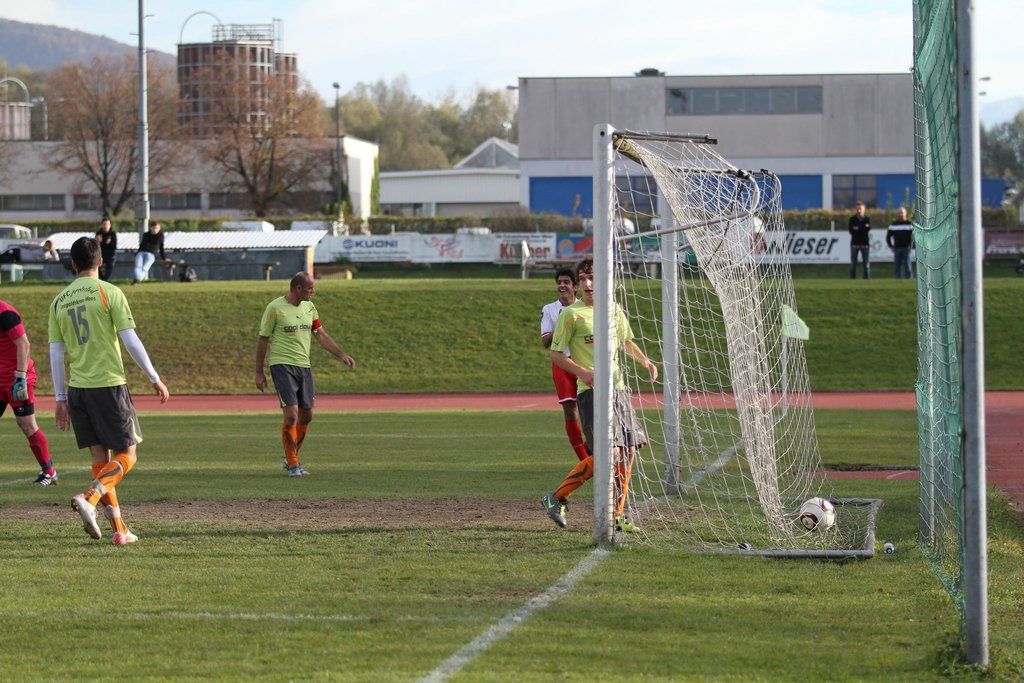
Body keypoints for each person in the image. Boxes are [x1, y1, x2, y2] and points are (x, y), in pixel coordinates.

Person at [50, 237, 170, 545]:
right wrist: (154, 376)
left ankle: (119, 529)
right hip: (108, 385)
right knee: (128, 455)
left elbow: (55, 353)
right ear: (100, 262)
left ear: (73, 265)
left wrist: (60, 399)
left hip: (77, 390)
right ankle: (89, 497)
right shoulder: (109, 292)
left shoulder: (59, 301)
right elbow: (130, 340)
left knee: (100, 460)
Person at [540, 257, 658, 533]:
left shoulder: (614, 310)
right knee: (610, 452)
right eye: (583, 279)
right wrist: (584, 373)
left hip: (619, 390)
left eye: (593, 278)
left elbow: (626, 341)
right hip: (591, 392)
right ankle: (557, 497)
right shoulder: (571, 315)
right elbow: (556, 354)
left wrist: (645, 361)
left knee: (628, 450)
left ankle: (617, 514)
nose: (588, 284)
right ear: (578, 284)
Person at [256, 272, 356, 476]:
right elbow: (263, 339)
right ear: (298, 288)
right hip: (282, 366)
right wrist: (259, 372)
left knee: (307, 415)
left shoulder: (309, 307)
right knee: (291, 415)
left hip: (304, 366)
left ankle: (290, 456)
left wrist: (341, 354)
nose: (313, 292)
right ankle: (294, 465)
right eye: (310, 288)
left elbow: (320, 334)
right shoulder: (275, 308)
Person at [0, 299, 58, 485]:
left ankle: (49, 471)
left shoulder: (5, 313)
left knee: (26, 424)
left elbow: (23, 344)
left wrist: (20, 377)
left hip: (16, 378)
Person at [540, 267, 589, 462]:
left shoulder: (585, 307)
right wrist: (562, 323)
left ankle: (593, 447)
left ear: (575, 286)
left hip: (583, 362)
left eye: (566, 282)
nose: (562, 285)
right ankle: (584, 459)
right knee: (570, 408)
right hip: (561, 363)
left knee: (590, 406)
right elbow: (545, 342)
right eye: (559, 282)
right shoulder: (549, 310)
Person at [886, 206, 914, 279]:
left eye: (902, 213)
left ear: (905, 213)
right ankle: (897, 281)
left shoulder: (909, 224)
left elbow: (913, 237)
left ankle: (908, 280)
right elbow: (888, 237)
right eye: (899, 213)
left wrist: (911, 246)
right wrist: (891, 246)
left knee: (908, 266)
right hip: (897, 248)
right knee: (897, 266)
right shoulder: (893, 224)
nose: (901, 214)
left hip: (906, 248)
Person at [848, 202, 871, 279]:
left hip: (865, 244)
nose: (859, 211)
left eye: (860, 209)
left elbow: (867, 229)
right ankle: (853, 279)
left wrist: (857, 228)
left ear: (864, 209)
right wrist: (862, 228)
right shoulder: (852, 219)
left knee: (866, 264)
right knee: (853, 264)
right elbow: (851, 231)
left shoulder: (867, 219)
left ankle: (866, 279)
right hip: (854, 244)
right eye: (857, 209)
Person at [95, 217, 117, 281]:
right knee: (96, 265)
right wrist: (98, 242)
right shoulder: (99, 233)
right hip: (101, 254)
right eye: (104, 224)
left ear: (110, 225)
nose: (106, 226)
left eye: (107, 224)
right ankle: (103, 278)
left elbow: (114, 247)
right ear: (102, 225)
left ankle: (105, 279)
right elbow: (96, 246)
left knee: (110, 265)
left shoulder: (112, 234)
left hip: (110, 254)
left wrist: (108, 243)